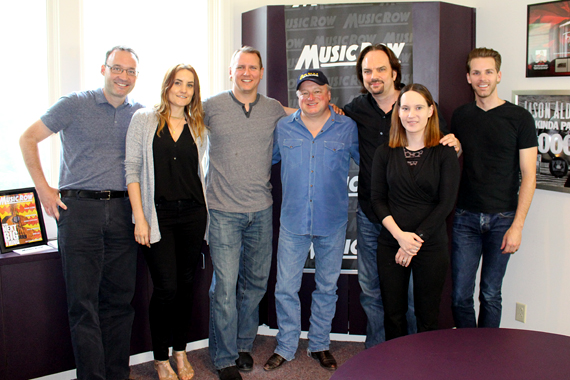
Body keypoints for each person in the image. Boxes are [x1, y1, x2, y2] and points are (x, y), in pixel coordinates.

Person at [19, 46, 142, 380]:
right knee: (83, 304)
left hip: (122, 211)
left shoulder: (141, 114)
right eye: (117, 68)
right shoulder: (74, 103)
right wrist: (43, 188)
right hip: (80, 211)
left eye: (131, 71)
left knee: (120, 302)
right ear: (103, 69)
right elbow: (28, 138)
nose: (123, 76)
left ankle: (117, 374)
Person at [343, 44, 459, 348]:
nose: (374, 76)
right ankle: (380, 355)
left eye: (381, 69)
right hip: (376, 220)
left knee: (417, 304)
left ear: (394, 72)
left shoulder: (425, 121)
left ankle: (418, 360)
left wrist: (413, 239)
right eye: (367, 71)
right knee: (373, 293)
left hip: (425, 234)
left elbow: (445, 190)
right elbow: (323, 112)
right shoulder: (357, 109)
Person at [263, 70, 359, 372]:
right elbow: (266, 161)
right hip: (293, 220)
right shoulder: (283, 128)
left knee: (326, 288)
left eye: (317, 91)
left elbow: (370, 162)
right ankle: (286, 346)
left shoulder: (347, 127)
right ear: (298, 98)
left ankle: (319, 344)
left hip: (332, 221)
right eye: (304, 92)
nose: (311, 97)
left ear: (329, 95)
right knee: (286, 288)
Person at [204, 46, 287, 380]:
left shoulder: (273, 109)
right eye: (240, 67)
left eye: (252, 67)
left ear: (261, 72)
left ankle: (242, 345)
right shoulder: (210, 107)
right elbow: (176, 117)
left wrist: (328, 108)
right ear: (230, 71)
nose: (246, 72)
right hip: (222, 211)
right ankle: (223, 358)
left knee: (254, 284)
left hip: (261, 211)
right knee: (224, 288)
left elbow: (303, 114)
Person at [125, 64, 208, 380]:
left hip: (193, 215)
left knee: (186, 287)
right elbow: (132, 170)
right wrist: (140, 219)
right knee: (166, 288)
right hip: (157, 217)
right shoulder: (144, 120)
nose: (184, 90)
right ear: (167, 85)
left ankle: (181, 352)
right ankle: (160, 359)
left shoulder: (196, 124)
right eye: (178, 83)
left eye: (190, 85)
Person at [451, 48, 537, 328]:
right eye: (476, 72)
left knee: (490, 294)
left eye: (488, 71)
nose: (482, 78)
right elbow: (460, 156)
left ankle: (487, 357)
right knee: (460, 296)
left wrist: (518, 226)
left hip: (503, 220)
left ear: (498, 75)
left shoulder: (520, 118)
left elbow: (529, 175)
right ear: (468, 77)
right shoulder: (461, 116)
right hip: (465, 218)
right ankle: (467, 353)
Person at [370, 83, 460, 340]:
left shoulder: (445, 153)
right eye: (406, 108)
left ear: (431, 111)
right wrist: (400, 237)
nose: (412, 114)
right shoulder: (384, 153)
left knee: (427, 317)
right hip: (391, 243)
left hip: (431, 245)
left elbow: (446, 203)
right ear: (397, 112)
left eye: (419, 107)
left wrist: (413, 241)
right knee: (393, 315)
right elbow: (377, 200)